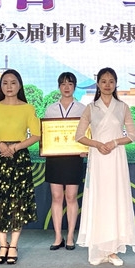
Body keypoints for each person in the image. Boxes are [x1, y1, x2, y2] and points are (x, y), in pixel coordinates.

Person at [75, 67, 135, 266]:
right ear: (98, 84)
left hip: (116, 158)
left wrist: (114, 143)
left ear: (116, 84)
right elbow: (79, 136)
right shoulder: (90, 108)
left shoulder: (123, 107)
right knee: (99, 199)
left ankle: (112, 250)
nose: (107, 85)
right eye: (103, 81)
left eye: (111, 81)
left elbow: (132, 135)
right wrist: (97, 144)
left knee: (115, 199)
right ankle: (98, 249)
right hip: (98, 159)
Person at [0, 69, 41, 265]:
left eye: (13, 82)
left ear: (19, 85)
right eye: (5, 83)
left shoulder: (28, 108)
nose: (9, 86)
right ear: (0, 86)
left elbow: (36, 135)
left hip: (19, 157)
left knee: (17, 201)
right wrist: (0, 145)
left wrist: (15, 147)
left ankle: (13, 245)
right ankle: (2, 245)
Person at [43, 72, 86, 251]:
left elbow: (88, 132)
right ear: (59, 86)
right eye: (63, 84)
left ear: (74, 86)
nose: (66, 87)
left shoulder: (82, 109)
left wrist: (85, 149)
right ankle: (57, 236)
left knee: (71, 197)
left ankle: (69, 236)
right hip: (55, 158)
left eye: (70, 84)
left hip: (74, 158)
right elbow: (46, 132)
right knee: (57, 197)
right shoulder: (51, 109)